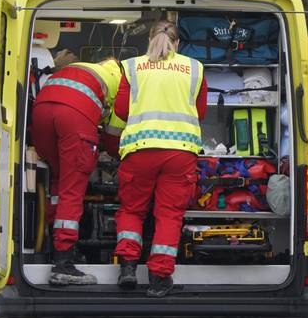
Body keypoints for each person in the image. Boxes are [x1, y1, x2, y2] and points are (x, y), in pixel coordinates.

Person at [111, 19, 208, 297]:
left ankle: (128, 266)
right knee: (168, 215)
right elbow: (200, 113)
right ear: (177, 43)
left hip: (139, 150)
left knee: (131, 210)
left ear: (149, 39)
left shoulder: (132, 66)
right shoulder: (194, 68)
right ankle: (159, 278)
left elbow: (120, 110)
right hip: (180, 153)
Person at [30, 52, 125, 286]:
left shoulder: (86, 67)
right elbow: (113, 138)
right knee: (73, 189)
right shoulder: (124, 83)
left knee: (59, 182)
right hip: (73, 116)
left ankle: (49, 246)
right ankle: (63, 262)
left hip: (41, 112)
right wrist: (111, 151)